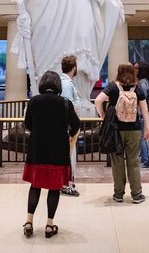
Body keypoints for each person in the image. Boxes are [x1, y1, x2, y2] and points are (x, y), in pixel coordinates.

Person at [22, 71, 80, 238]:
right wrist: (68, 133)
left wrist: (39, 132)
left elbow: (28, 124)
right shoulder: (64, 102)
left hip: (37, 149)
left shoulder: (34, 101)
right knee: (54, 188)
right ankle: (49, 225)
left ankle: (29, 222)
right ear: (57, 85)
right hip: (58, 151)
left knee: (35, 185)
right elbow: (76, 124)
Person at [94, 62, 149, 204]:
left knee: (117, 162)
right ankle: (137, 195)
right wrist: (147, 128)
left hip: (116, 130)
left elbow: (98, 100)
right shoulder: (137, 88)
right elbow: (144, 110)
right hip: (134, 130)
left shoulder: (113, 86)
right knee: (134, 162)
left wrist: (104, 116)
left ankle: (118, 194)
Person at [59, 55, 80, 196]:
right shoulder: (66, 83)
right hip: (69, 127)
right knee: (68, 155)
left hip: (70, 125)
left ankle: (66, 182)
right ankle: (66, 184)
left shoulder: (66, 82)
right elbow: (68, 106)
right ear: (74, 67)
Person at [134, 61, 149, 170]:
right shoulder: (142, 82)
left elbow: (142, 100)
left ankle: (146, 161)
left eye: (136, 68)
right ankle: (146, 159)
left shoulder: (142, 83)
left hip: (141, 114)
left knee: (142, 137)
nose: (134, 70)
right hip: (141, 113)